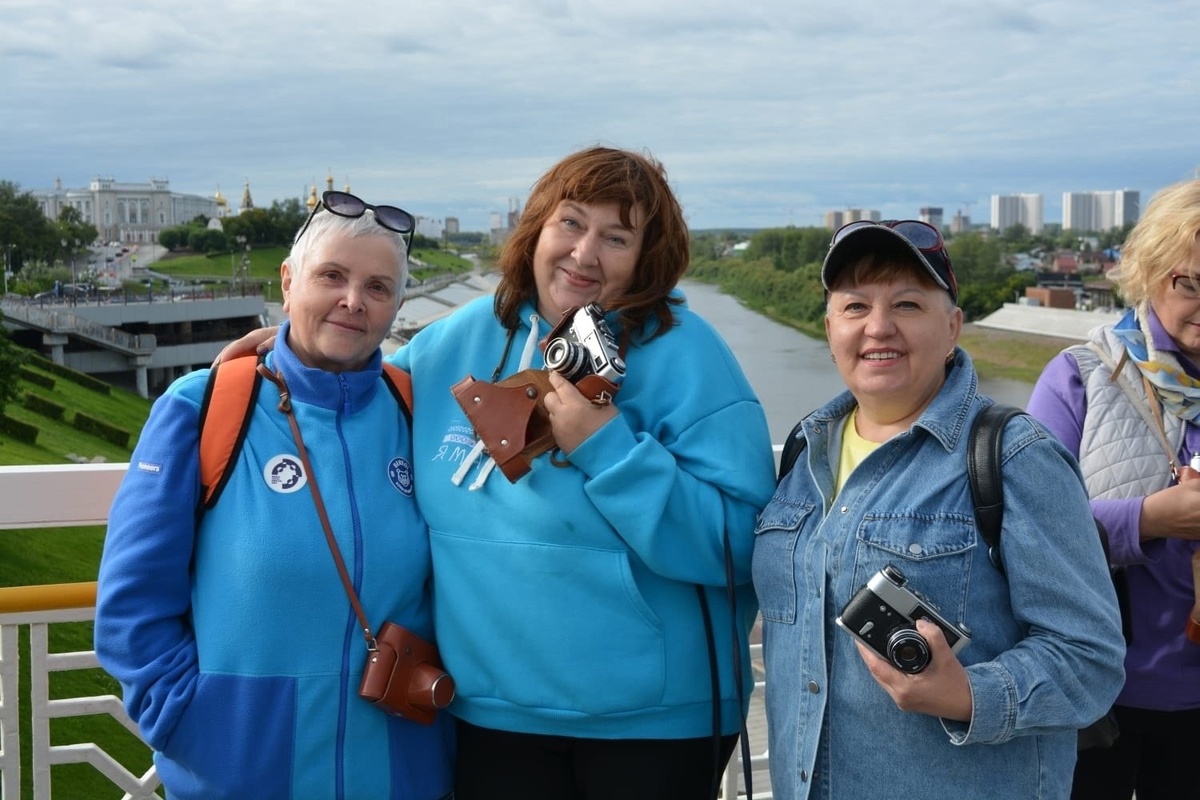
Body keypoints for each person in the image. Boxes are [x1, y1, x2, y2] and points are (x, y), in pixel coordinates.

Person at [218, 146, 777, 799]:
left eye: (616, 236)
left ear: (647, 257)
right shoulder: (456, 342)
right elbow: (361, 387)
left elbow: (742, 546)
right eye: (569, 223)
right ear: (536, 229)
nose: (584, 253)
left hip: (651, 725)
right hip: (488, 715)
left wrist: (610, 449)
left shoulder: (690, 357)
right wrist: (292, 350)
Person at [94, 194, 455, 799]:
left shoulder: (414, 411)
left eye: (378, 287)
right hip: (244, 773)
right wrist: (190, 721)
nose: (353, 301)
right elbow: (131, 605)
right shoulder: (199, 407)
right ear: (288, 281)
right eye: (332, 277)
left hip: (399, 770)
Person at [752, 220, 1126, 799]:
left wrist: (967, 695)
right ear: (829, 329)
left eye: (907, 303)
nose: (879, 326)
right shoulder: (804, 452)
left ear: (952, 326)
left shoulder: (1013, 457)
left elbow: (1091, 659)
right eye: (855, 306)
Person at [1026, 178, 1200, 800]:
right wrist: (1151, 518)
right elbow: (1030, 531)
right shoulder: (1081, 377)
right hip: (1101, 695)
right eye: (1191, 282)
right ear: (1152, 272)